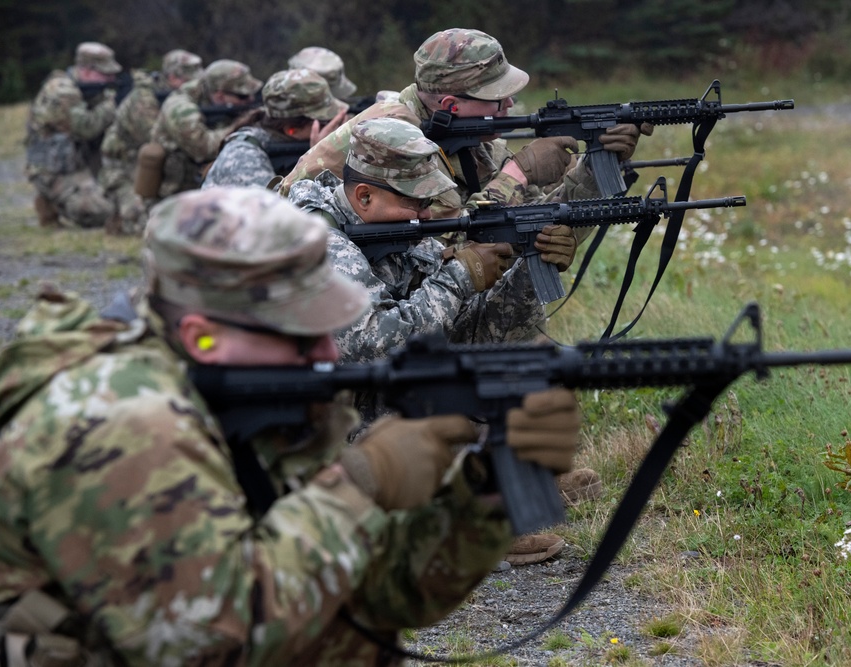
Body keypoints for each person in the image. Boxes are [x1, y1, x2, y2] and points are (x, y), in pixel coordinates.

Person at [0, 186, 581, 665]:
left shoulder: (238, 398)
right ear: (201, 333)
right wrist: (360, 480)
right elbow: (207, 637)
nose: (328, 349)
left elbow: (381, 595)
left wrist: (487, 489)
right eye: (300, 330)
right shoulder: (121, 418)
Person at [288, 117, 599, 565]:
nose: (428, 214)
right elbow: (372, 342)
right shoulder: (317, 242)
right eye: (416, 201)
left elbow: (475, 333)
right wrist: (458, 277)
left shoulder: (396, 232)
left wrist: (530, 267)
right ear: (364, 196)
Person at [277, 28, 648, 219]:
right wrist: (518, 174)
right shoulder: (395, 136)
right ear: (451, 104)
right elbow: (442, 247)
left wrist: (597, 166)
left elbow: (529, 220)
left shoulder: (467, 135)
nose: (509, 105)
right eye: (496, 98)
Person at [99, 49, 203, 234]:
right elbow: (158, 140)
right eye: (188, 80)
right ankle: (119, 218)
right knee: (147, 224)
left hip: (158, 167)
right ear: (171, 78)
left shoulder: (186, 98)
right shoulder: (144, 100)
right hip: (124, 168)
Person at [24, 42, 121, 229]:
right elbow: (86, 128)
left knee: (120, 205)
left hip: (75, 162)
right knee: (101, 212)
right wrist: (113, 104)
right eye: (105, 73)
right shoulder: (62, 91)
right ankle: (49, 203)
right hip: (53, 169)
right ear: (85, 70)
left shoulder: (88, 89)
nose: (110, 79)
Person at [202, 68, 348, 189]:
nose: (333, 128)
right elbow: (280, 216)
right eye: (325, 122)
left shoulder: (277, 142)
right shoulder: (242, 155)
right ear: (293, 130)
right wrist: (317, 159)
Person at [148, 59, 263, 200]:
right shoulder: (178, 107)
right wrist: (243, 123)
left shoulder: (214, 99)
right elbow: (202, 148)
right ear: (220, 95)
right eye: (242, 96)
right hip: (175, 194)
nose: (250, 100)